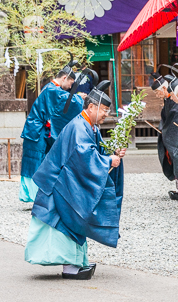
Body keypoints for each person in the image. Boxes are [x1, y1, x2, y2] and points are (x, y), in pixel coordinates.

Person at [24, 81, 125, 280]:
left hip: (65, 181)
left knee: (73, 219)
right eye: (104, 110)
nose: (106, 114)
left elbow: (94, 152)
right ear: (91, 107)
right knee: (67, 221)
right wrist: (107, 162)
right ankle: (70, 267)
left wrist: (112, 155)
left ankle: (78, 262)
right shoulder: (80, 126)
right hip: (59, 185)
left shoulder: (88, 125)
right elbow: (83, 156)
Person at [19, 60, 84, 202]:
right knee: (35, 163)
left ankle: (37, 196)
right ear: (64, 78)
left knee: (38, 162)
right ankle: (35, 196)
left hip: (37, 130)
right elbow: (66, 101)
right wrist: (78, 98)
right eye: (71, 83)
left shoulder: (51, 88)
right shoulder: (52, 89)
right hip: (36, 131)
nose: (70, 87)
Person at [151, 72, 178, 200]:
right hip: (173, 137)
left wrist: (167, 131)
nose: (158, 95)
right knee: (176, 162)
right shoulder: (168, 100)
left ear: (164, 88)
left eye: (158, 92)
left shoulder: (176, 100)